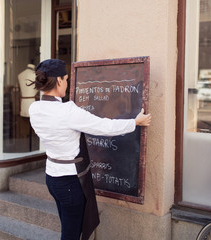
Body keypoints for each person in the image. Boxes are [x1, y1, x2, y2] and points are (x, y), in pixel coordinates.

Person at [28, 59, 151, 240]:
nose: (67, 83)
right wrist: (135, 122)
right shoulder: (67, 111)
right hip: (70, 181)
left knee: (68, 227)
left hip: (52, 178)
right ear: (60, 81)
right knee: (71, 235)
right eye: (66, 79)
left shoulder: (35, 108)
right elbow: (103, 127)